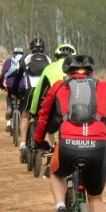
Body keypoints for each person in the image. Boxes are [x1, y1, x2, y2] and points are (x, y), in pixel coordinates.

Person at [33, 54, 106, 212]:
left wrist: (38, 142)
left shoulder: (59, 86)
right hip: (97, 147)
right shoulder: (105, 87)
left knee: (56, 172)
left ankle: (61, 208)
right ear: (92, 71)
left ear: (68, 72)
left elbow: (44, 117)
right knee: (96, 197)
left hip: (68, 146)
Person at [28, 43, 77, 177]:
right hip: (77, 109)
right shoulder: (80, 70)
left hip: (57, 110)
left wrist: (33, 111)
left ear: (56, 57)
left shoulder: (49, 68)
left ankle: (51, 159)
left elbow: (38, 92)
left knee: (49, 130)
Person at [13, 37, 52, 163]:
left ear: (31, 48)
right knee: (44, 119)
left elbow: (18, 77)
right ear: (43, 49)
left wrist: (14, 92)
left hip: (31, 91)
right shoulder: (48, 59)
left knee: (25, 116)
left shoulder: (27, 59)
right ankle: (48, 148)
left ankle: (23, 145)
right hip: (45, 92)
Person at [0, 46, 25, 131]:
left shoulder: (8, 61)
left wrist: (1, 85)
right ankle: (21, 113)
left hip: (11, 85)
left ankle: (9, 109)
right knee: (23, 100)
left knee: (9, 96)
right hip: (23, 85)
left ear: (14, 54)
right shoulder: (25, 61)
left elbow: (3, 75)